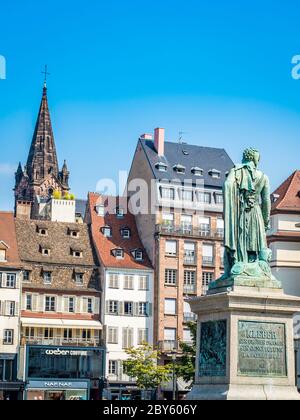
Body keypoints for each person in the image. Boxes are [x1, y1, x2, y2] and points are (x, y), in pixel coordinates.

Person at [222, 148, 271, 278]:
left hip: (240, 213)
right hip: (256, 213)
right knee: (256, 243)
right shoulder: (264, 177)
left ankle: (237, 266)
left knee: (240, 239)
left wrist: (232, 204)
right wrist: (266, 221)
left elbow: (227, 185)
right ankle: (251, 266)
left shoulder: (236, 171)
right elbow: (266, 201)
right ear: (255, 159)